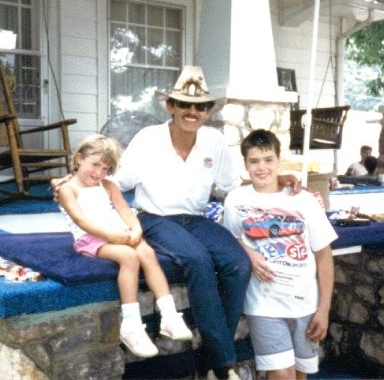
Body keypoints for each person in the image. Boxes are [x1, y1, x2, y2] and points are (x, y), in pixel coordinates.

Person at [53, 66, 300, 380]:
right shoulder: (148, 138)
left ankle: (209, 362)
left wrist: (277, 180)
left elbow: (232, 186)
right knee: (196, 260)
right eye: (183, 104)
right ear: (170, 107)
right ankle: (224, 366)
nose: (192, 111)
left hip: (195, 219)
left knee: (238, 263)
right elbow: (113, 179)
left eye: (200, 106)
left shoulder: (213, 141)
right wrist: (71, 180)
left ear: (209, 111)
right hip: (156, 219)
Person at [57, 134, 192, 359]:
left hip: (118, 232)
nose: (99, 173)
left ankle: (169, 315)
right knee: (129, 257)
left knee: (147, 252)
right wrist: (112, 236)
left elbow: (126, 211)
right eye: (95, 165)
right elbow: (82, 221)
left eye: (105, 169)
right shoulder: (67, 189)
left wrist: (135, 230)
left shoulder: (108, 185)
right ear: (79, 159)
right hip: (91, 238)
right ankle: (130, 325)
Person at [223, 129, 337, 380]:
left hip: (305, 303)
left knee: (300, 373)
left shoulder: (303, 199)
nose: (261, 168)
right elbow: (229, 240)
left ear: (278, 160)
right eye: (254, 161)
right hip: (263, 304)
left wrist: (324, 309)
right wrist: (248, 253)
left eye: (268, 160)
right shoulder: (235, 199)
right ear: (245, 164)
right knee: (281, 374)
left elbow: (324, 256)